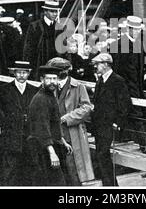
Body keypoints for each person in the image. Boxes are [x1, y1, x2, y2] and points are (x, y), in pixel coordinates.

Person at [112, 16, 146, 154]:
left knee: (127, 113)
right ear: (128, 29)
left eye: (138, 30)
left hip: (137, 86)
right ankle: (143, 143)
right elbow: (116, 68)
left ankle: (120, 138)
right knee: (134, 114)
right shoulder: (118, 45)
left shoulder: (139, 44)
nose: (136, 33)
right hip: (124, 87)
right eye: (134, 30)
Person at [0, 61, 38, 186]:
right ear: (14, 73)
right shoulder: (4, 89)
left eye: (24, 72)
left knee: (30, 168)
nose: (21, 75)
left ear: (29, 74)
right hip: (11, 134)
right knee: (11, 169)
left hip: (29, 135)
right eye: (18, 72)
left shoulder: (34, 90)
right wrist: (3, 118)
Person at [46, 57, 95, 186]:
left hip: (72, 134)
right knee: (55, 169)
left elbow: (86, 107)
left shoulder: (78, 86)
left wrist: (67, 118)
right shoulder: (49, 86)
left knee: (73, 169)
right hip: (53, 134)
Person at [28, 65, 73, 186]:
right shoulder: (41, 99)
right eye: (48, 79)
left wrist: (63, 141)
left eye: (54, 78)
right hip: (43, 149)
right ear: (42, 80)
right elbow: (42, 128)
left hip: (53, 145)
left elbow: (54, 123)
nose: (52, 82)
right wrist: (52, 153)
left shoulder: (50, 96)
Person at [91, 53, 132, 186]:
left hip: (109, 124)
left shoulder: (117, 80)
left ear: (106, 64)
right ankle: (111, 185)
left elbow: (125, 103)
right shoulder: (100, 80)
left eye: (98, 64)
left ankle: (110, 185)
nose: (95, 66)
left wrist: (118, 122)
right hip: (99, 124)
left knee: (103, 154)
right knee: (101, 155)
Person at [23, 0, 62, 80]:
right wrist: (28, 66)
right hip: (38, 65)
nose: (55, 14)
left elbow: (64, 48)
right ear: (45, 11)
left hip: (55, 66)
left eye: (56, 12)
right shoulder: (34, 26)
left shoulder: (59, 27)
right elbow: (28, 48)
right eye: (52, 11)